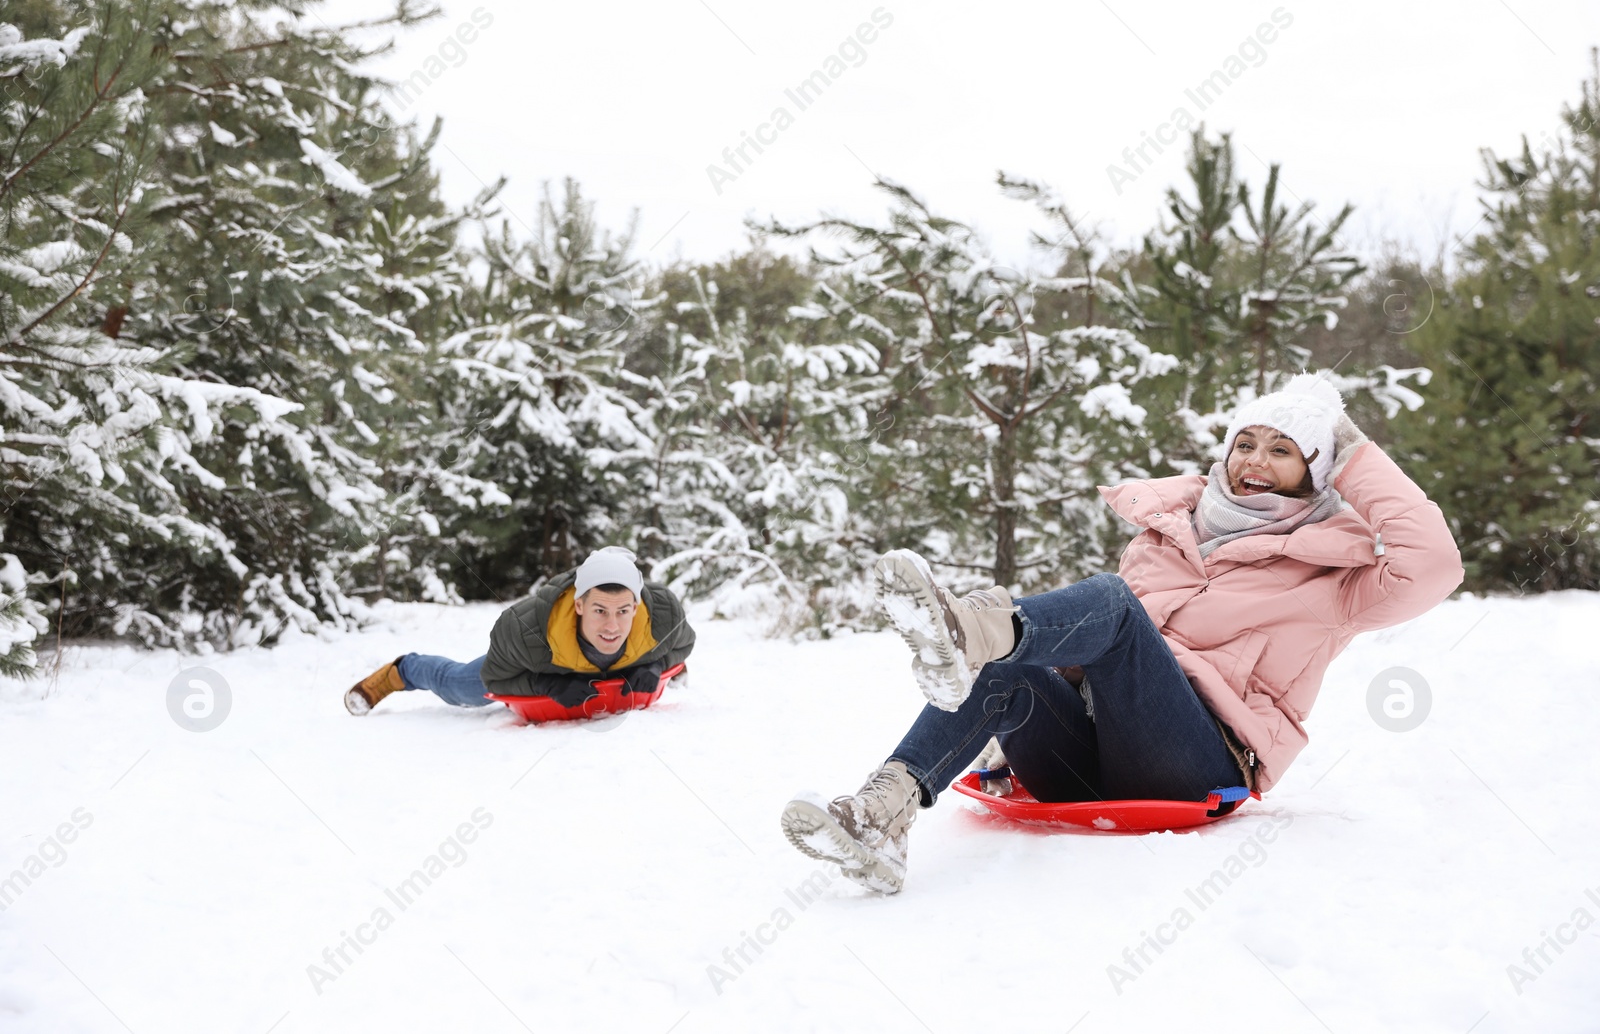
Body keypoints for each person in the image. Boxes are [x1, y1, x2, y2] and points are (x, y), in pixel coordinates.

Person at [781, 375, 1464, 894]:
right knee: (1011, 668)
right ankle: (880, 817)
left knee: (1106, 605)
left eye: (1283, 448)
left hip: (1200, 760)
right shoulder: (1165, 534)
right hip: (1093, 751)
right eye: (1246, 441)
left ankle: (974, 630)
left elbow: (1434, 565)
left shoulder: (1333, 576)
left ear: (1317, 471)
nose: (1256, 457)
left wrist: (1353, 452)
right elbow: (1099, 660)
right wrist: (1021, 707)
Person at [345, 546, 696, 715]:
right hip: (537, 663)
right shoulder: (525, 629)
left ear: (636, 608)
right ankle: (401, 671)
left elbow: (685, 645)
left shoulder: (661, 614)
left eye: (623, 612)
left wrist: (655, 666)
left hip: (627, 657)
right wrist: (546, 683)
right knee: (459, 687)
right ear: (578, 606)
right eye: (599, 610)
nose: (612, 625)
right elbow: (498, 680)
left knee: (653, 655)